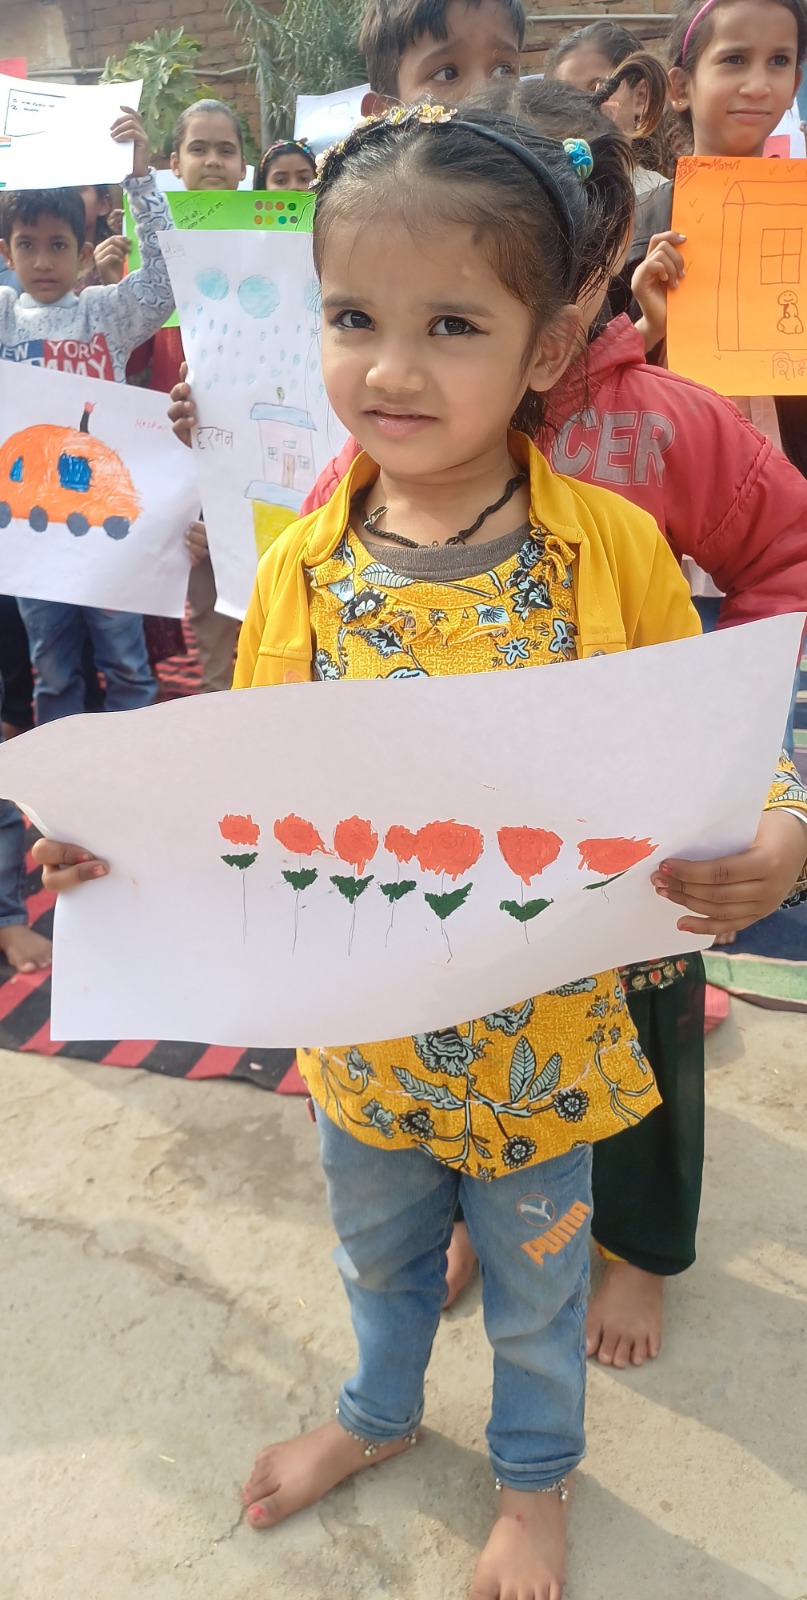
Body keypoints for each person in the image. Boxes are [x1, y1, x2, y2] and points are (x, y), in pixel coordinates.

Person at [54, 103, 807, 1600]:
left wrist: (777, 827)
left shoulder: (614, 553)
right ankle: (379, 1413)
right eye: (352, 318)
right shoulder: (301, 573)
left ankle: (534, 1482)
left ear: (543, 347)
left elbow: (723, 733)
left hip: (545, 1039)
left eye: (449, 323)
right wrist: (118, 852)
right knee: (377, 1260)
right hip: (365, 1045)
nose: (389, 369)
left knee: (534, 1288)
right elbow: (238, 794)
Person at [0, 106, 174, 722]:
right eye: (27, 245)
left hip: (106, 526)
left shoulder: (103, 313)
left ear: (80, 255)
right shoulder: (2, 317)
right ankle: (62, 797)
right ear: (7, 251)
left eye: (57, 246)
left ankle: (137, 782)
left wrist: (141, 179)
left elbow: (164, 282)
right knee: (52, 669)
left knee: (127, 662)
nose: (42, 260)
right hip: (31, 531)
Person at [128, 99, 248, 694]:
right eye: (198, 148)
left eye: (226, 148)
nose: (212, 160)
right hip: (180, 460)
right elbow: (131, 366)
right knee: (207, 607)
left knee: (265, 593)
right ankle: (223, 710)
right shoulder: (155, 258)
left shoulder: (270, 240)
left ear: (244, 166)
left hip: (254, 450)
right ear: (174, 163)